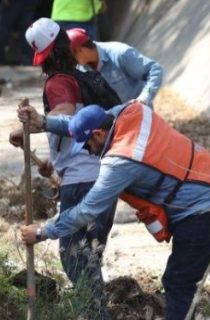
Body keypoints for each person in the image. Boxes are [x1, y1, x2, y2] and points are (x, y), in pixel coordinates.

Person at [17, 102, 210, 320]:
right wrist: (45, 122)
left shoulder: (121, 161)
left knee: (178, 281)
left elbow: (87, 210)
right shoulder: (132, 111)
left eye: (88, 144)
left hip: (205, 211)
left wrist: (43, 231)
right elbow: (84, 121)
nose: (89, 151)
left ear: (100, 134)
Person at [9, 18, 122, 319]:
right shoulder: (85, 75)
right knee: (90, 257)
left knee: (73, 256)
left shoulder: (58, 82)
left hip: (82, 181)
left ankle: (97, 316)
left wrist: (25, 130)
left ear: (42, 55)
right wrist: (52, 167)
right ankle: (94, 312)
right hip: (106, 176)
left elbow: (66, 119)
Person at [66, 27, 163, 106]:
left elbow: (154, 69)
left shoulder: (120, 53)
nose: (71, 61)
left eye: (71, 57)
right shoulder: (82, 69)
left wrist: (143, 98)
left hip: (141, 115)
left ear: (80, 50)